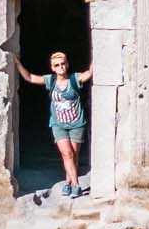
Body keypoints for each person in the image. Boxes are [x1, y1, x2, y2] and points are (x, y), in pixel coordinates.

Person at [15, 50, 92, 198]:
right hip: (58, 124)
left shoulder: (74, 79)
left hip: (76, 123)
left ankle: (68, 183)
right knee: (67, 153)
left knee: (73, 156)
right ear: (52, 68)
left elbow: (88, 73)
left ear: (67, 64)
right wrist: (17, 63)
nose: (61, 67)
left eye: (63, 64)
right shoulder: (50, 80)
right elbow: (29, 77)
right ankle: (76, 185)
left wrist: (98, 53)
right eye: (57, 65)